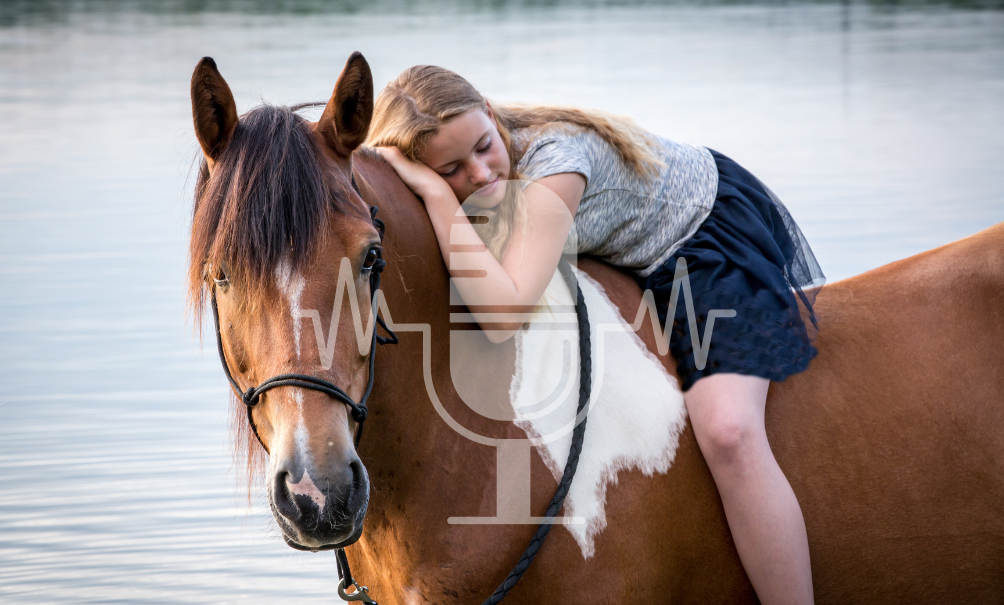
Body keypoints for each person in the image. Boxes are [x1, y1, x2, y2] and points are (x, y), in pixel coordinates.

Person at [369, 65, 824, 605]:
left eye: (484, 147)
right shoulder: (491, 173)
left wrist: (437, 194)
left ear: (489, 114)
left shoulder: (557, 162)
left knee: (730, 433)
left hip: (703, 240)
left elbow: (503, 311)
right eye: (453, 169)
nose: (482, 173)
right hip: (632, 254)